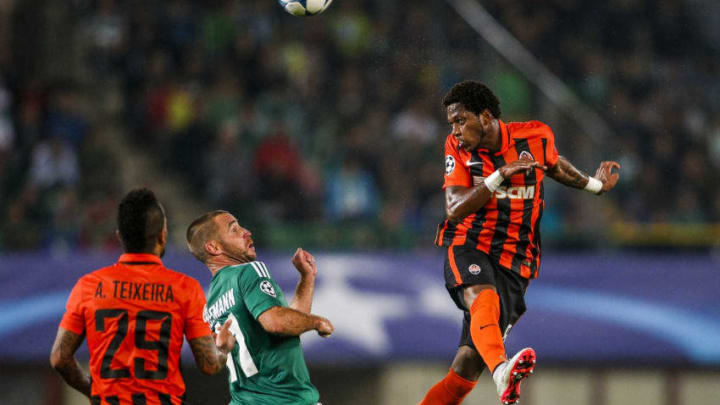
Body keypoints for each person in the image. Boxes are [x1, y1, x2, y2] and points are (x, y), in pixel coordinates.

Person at [420, 81, 620, 405]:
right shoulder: (455, 148)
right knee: (483, 298)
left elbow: (554, 166)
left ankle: (498, 370)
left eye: (460, 121)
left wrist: (596, 185)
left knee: (465, 370)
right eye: (451, 124)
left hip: (516, 260)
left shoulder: (536, 136)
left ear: (485, 117)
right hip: (470, 242)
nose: (455, 130)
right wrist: (500, 175)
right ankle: (503, 374)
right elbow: (454, 207)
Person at [50, 188, 234, 404]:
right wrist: (225, 346)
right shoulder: (185, 288)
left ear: (120, 236)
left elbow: (60, 358)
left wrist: (91, 390)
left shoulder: (88, 287)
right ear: (162, 235)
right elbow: (210, 364)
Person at [186, 210, 334, 405]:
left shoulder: (212, 302)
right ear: (214, 247)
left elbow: (287, 325)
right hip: (285, 400)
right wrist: (317, 321)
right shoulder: (248, 271)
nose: (246, 232)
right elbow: (276, 323)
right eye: (234, 229)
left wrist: (307, 278)